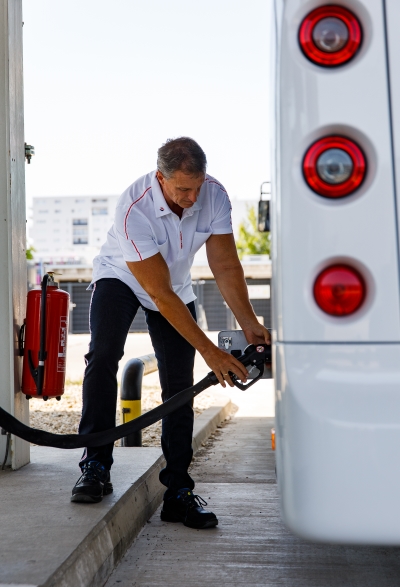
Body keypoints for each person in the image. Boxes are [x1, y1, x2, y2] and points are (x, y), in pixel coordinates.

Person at [71, 137, 271, 529]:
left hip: (175, 288)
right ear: (160, 178)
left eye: (197, 186)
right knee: (104, 355)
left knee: (178, 385)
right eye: (183, 189)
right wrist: (210, 352)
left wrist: (250, 323)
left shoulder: (213, 195)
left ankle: (178, 491)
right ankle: (95, 465)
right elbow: (157, 294)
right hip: (123, 279)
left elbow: (226, 266)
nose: (193, 197)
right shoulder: (133, 208)